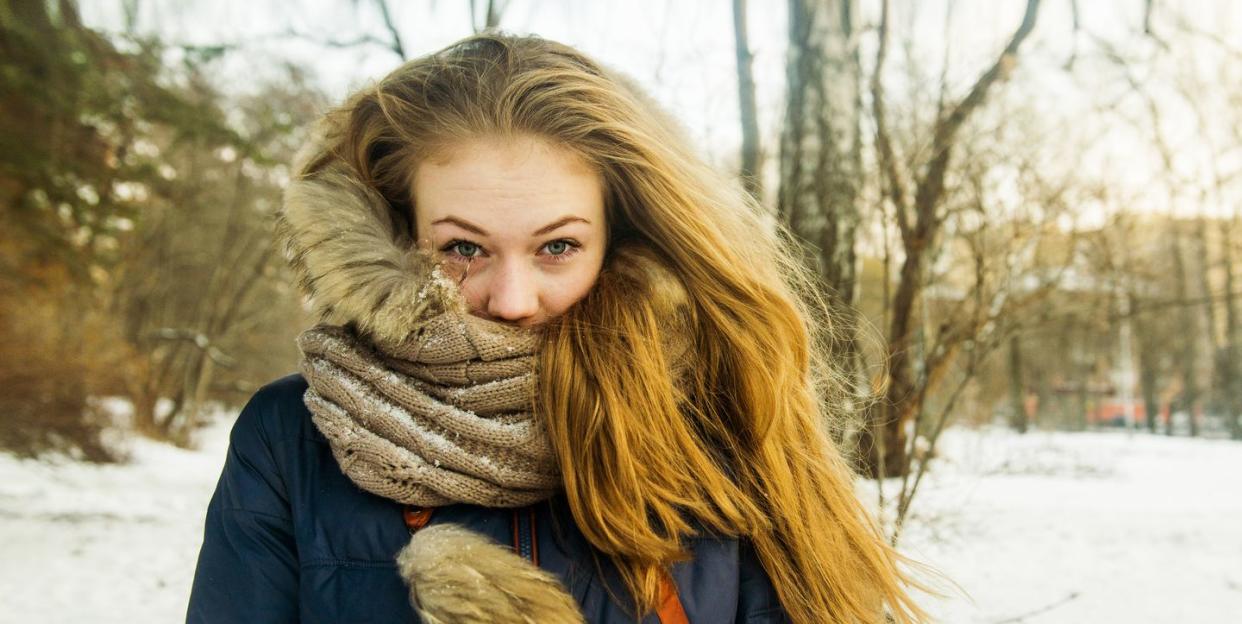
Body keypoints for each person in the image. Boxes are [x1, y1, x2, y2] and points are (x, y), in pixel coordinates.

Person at [186, 32, 927, 624]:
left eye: (558, 247)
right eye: (464, 249)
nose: (513, 299)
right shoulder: (291, 436)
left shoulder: (719, 418)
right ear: (392, 232)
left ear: (621, 238)